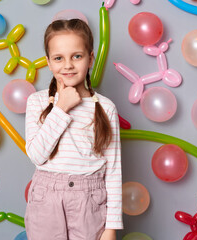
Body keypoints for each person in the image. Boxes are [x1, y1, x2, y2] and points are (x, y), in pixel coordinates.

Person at [24, 18, 122, 240]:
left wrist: (111, 227)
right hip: (46, 201)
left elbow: (114, 171)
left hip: (90, 202)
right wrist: (61, 108)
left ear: (90, 59)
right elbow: (37, 156)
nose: (67, 65)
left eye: (76, 56)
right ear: (48, 62)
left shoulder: (106, 108)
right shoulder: (37, 102)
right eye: (59, 58)